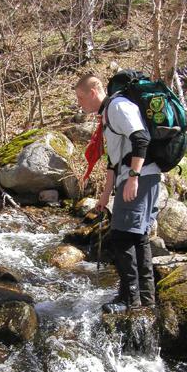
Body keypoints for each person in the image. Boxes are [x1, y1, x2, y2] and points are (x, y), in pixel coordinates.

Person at [75, 74, 161, 314]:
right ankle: (146, 297)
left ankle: (129, 298)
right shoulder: (108, 113)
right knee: (138, 236)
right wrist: (105, 196)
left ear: (94, 92)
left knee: (122, 237)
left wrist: (133, 177)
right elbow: (114, 161)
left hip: (140, 177)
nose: (80, 104)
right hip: (139, 177)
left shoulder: (118, 106)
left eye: (81, 98)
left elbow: (141, 138)